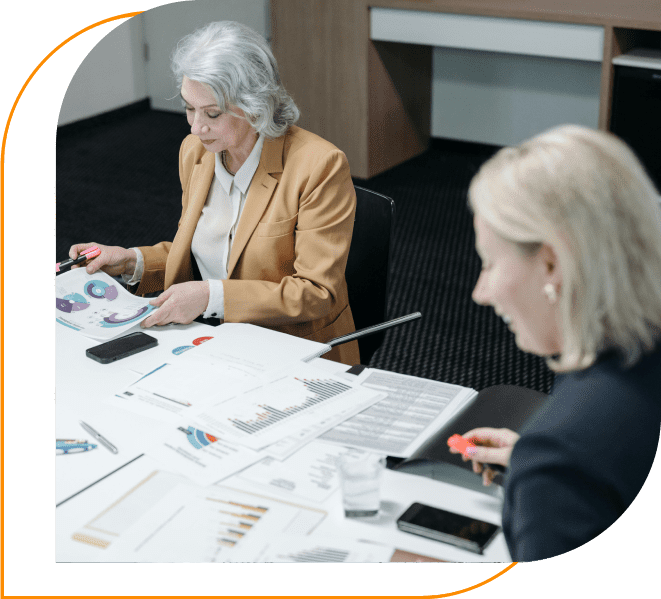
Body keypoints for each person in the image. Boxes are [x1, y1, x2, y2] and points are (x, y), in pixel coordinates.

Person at [69, 21, 360, 365]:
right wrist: (130, 261)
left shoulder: (319, 166)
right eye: (189, 108)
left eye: (212, 113)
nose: (196, 127)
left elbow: (315, 293)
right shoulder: (195, 152)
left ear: (255, 106)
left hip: (292, 349)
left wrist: (211, 297)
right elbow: (200, 253)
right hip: (213, 341)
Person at [449, 124, 661, 561]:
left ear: (551, 263)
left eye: (489, 264)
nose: (479, 292)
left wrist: (550, 475)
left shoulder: (560, 461)